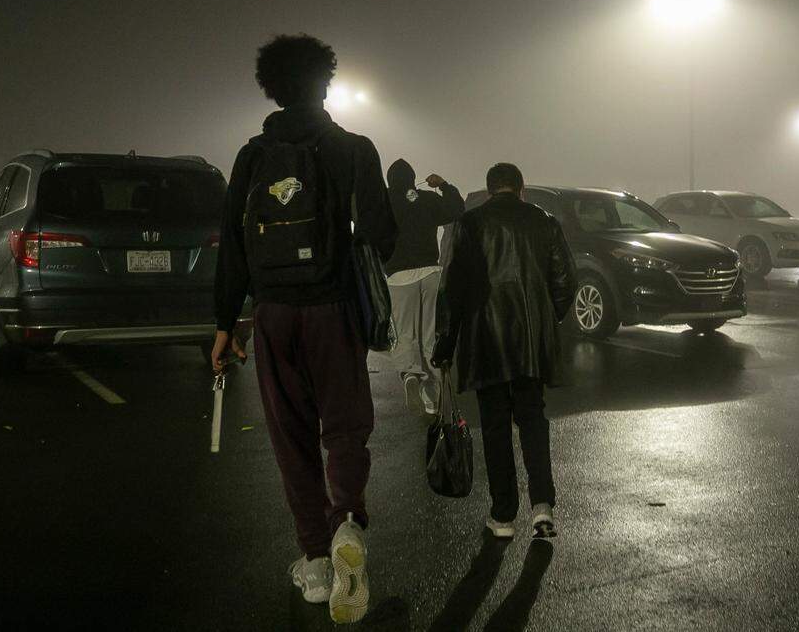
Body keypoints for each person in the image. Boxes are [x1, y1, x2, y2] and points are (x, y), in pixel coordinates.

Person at [212, 33, 397, 624]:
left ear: (270, 87)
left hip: (272, 312)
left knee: (290, 437)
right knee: (343, 427)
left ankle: (316, 563)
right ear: (327, 82)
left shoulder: (250, 156)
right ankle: (348, 520)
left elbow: (234, 248)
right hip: (333, 307)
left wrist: (224, 323)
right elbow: (382, 236)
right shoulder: (352, 148)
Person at [432, 163, 576, 539]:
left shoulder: (470, 224)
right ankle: (542, 506)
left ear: (490, 188)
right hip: (530, 343)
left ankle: (503, 515)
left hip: (486, 341)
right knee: (533, 420)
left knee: (495, 427)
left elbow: (452, 290)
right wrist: (547, 317)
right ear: (521, 187)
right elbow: (565, 279)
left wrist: (445, 344)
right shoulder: (544, 221)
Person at [384, 159, 465, 415]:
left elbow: (368, 230)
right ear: (412, 178)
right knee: (430, 332)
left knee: (405, 331)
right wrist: (443, 186)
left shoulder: (383, 202)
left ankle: (410, 374)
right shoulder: (427, 199)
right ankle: (432, 399)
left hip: (398, 276)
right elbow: (456, 209)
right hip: (430, 272)